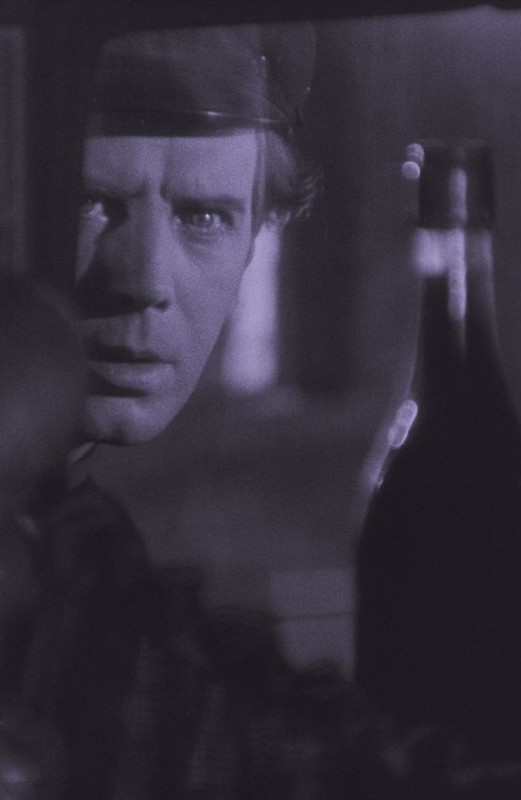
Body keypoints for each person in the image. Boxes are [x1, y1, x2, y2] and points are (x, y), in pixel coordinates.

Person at [0, 22, 334, 800]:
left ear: (255, 241)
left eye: (204, 217)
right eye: (93, 203)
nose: (145, 279)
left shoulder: (88, 550)